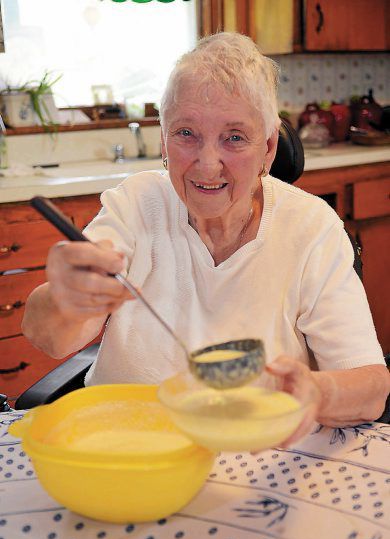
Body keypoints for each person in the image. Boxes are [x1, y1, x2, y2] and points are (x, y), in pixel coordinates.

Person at [22, 32, 389, 443]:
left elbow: (371, 389)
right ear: (163, 140)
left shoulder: (310, 227)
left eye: (234, 137)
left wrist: (316, 392)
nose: (207, 164)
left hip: (253, 455)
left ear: (268, 148)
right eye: (186, 133)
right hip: (127, 443)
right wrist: (65, 297)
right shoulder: (137, 204)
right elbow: (51, 338)